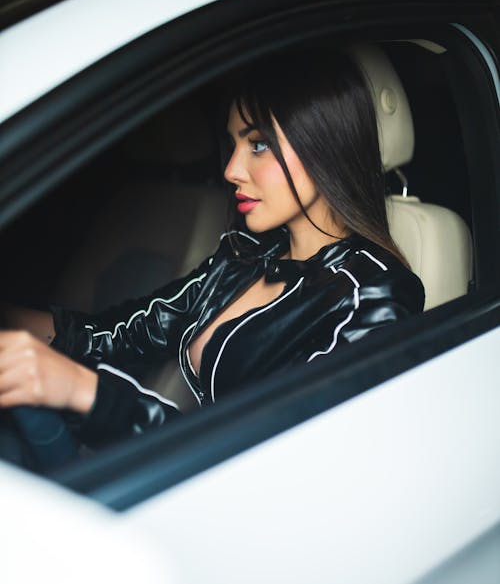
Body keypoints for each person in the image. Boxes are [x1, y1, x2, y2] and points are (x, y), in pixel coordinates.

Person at [0, 49, 424, 451]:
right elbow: (123, 334)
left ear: (324, 144)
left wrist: (84, 391)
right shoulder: (244, 255)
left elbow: (263, 456)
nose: (230, 170)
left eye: (257, 144)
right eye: (233, 144)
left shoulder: (374, 296)